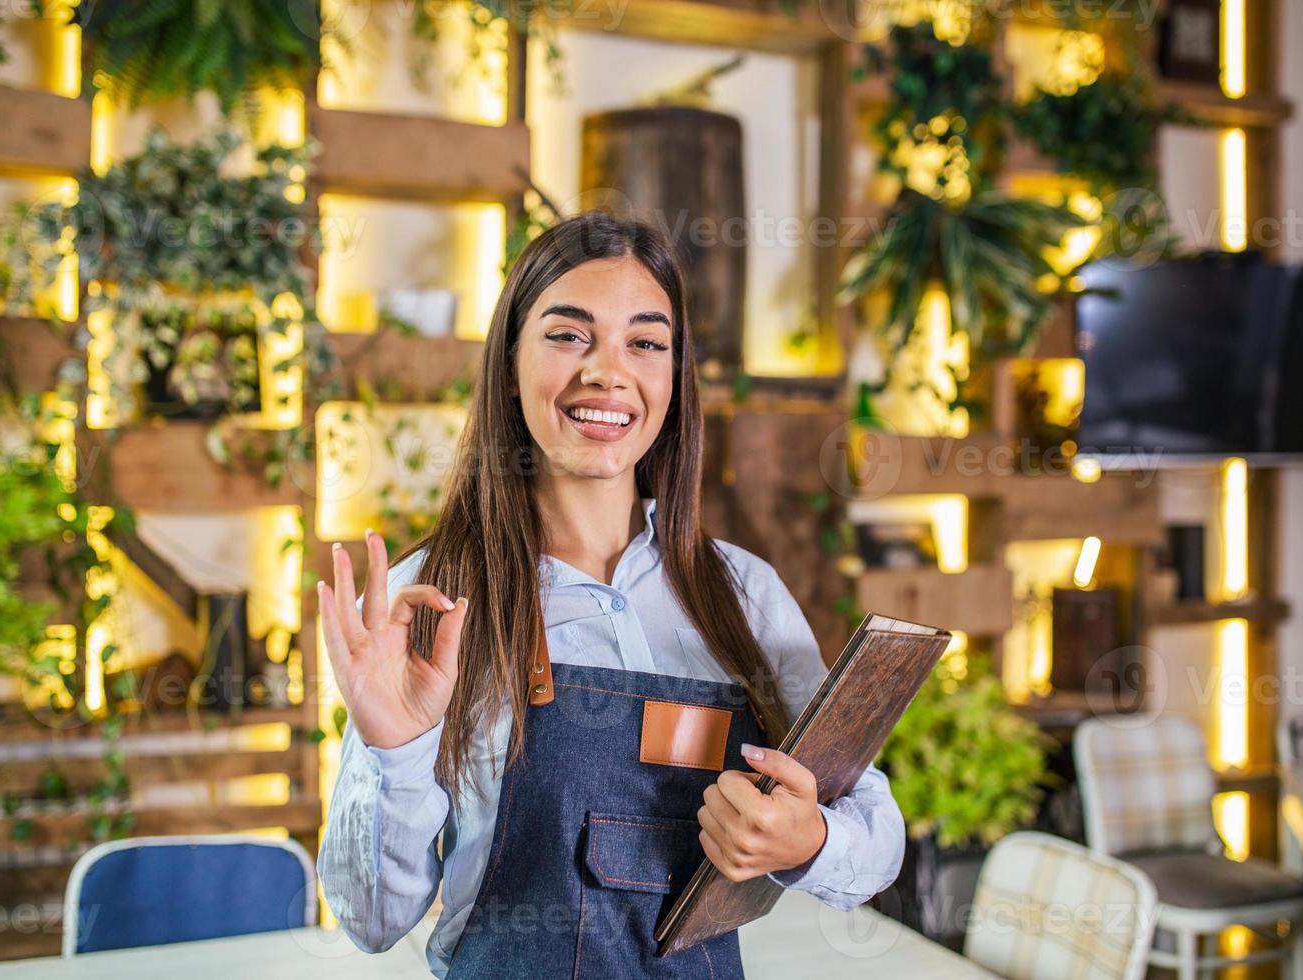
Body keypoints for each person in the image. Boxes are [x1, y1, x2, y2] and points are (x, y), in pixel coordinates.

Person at [315, 211, 906, 978]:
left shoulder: (743, 598)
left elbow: (876, 830)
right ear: (509, 363)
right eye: (568, 335)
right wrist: (395, 752)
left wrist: (810, 842)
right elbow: (368, 921)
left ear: (673, 374)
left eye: (646, 342)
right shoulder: (428, 604)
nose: (608, 372)